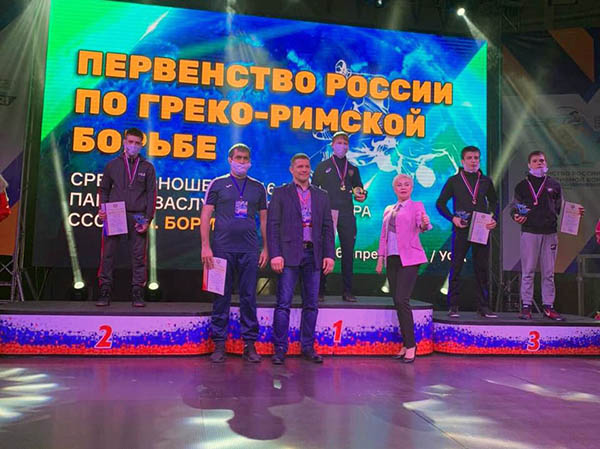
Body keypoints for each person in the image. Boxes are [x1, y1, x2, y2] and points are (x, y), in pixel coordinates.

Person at [201, 143, 268, 363]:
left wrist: (266, 247)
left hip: (249, 250)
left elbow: (264, 220)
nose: (242, 162)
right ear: (229, 160)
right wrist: (205, 246)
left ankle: (250, 345)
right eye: (238, 158)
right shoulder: (217, 184)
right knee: (221, 297)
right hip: (221, 249)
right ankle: (219, 344)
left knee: (249, 297)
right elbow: (205, 216)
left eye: (245, 158)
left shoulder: (258, 187)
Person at [267, 153, 335, 365]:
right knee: (283, 304)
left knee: (311, 304)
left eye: (306, 166)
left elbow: (327, 228)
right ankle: (280, 348)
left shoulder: (321, 195)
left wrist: (329, 255)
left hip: (313, 255)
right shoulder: (281, 193)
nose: (304, 170)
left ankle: (307, 347)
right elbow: (272, 226)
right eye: (300, 167)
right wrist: (275, 254)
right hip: (288, 255)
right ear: (291, 169)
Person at [510, 150, 583, 320]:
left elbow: (560, 207)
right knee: (528, 271)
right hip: (530, 232)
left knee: (549, 273)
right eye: (535, 161)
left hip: (550, 233)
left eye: (542, 160)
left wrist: (574, 212)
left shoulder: (554, 184)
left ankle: (548, 306)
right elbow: (515, 207)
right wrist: (515, 215)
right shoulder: (522, 186)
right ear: (529, 165)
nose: (539, 163)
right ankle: (526, 307)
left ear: (546, 163)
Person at [97, 128, 157, 307]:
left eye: (137, 143)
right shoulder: (112, 165)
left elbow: (151, 195)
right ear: (124, 142)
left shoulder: (147, 167)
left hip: (138, 215)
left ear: (141, 145)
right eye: (130, 142)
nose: (133, 146)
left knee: (139, 256)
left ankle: (137, 291)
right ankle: (105, 290)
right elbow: (104, 190)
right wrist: (102, 209)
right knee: (108, 254)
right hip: (114, 212)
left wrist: (148, 219)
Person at [436, 145, 498, 318]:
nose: (473, 161)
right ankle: (453, 305)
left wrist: (493, 218)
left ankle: (483, 306)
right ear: (462, 161)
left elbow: (494, 202)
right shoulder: (454, 180)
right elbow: (440, 203)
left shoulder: (485, 181)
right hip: (461, 228)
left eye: (476, 158)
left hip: (481, 228)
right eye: (469, 158)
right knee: (456, 266)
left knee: (481, 268)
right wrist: (453, 218)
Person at [376, 174, 432, 363]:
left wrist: (425, 224)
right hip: (392, 259)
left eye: (406, 184)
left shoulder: (417, 206)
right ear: (394, 189)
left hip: (410, 259)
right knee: (397, 302)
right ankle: (406, 343)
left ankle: (411, 345)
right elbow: (383, 236)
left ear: (412, 188)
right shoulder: (388, 209)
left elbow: (422, 224)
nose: (403, 187)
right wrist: (380, 258)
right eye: (399, 185)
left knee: (402, 299)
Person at [312, 131, 366, 302]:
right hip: (327, 214)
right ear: (332, 145)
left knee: (348, 253)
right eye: (339, 143)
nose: (342, 146)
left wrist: (361, 195)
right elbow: (313, 190)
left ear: (348, 147)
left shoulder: (353, 169)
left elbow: (359, 189)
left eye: (345, 143)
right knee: (324, 251)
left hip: (347, 214)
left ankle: (347, 291)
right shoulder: (323, 166)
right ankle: (320, 289)